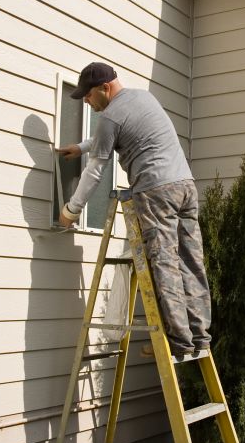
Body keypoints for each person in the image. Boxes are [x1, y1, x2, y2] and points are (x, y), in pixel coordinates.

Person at [58, 62, 211, 357]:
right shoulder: (144, 97)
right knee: (191, 261)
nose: (87, 103)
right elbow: (113, 135)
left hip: (156, 190)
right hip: (185, 186)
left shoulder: (110, 117)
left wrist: (71, 210)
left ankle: (178, 342)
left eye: (88, 96)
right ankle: (200, 336)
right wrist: (81, 146)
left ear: (104, 88)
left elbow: (95, 171)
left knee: (164, 262)